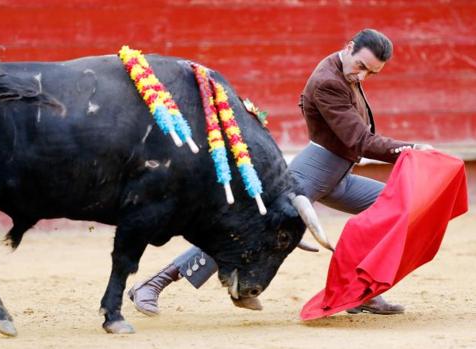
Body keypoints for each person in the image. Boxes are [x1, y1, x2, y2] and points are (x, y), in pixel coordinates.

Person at [127, 28, 433, 316]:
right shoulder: (328, 81)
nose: (362, 75)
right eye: (361, 66)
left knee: (391, 206)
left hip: (338, 176)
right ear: (349, 47)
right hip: (310, 175)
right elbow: (360, 141)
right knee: (245, 227)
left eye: (371, 73)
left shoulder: (344, 72)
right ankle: (153, 283)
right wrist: (410, 150)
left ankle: (360, 292)